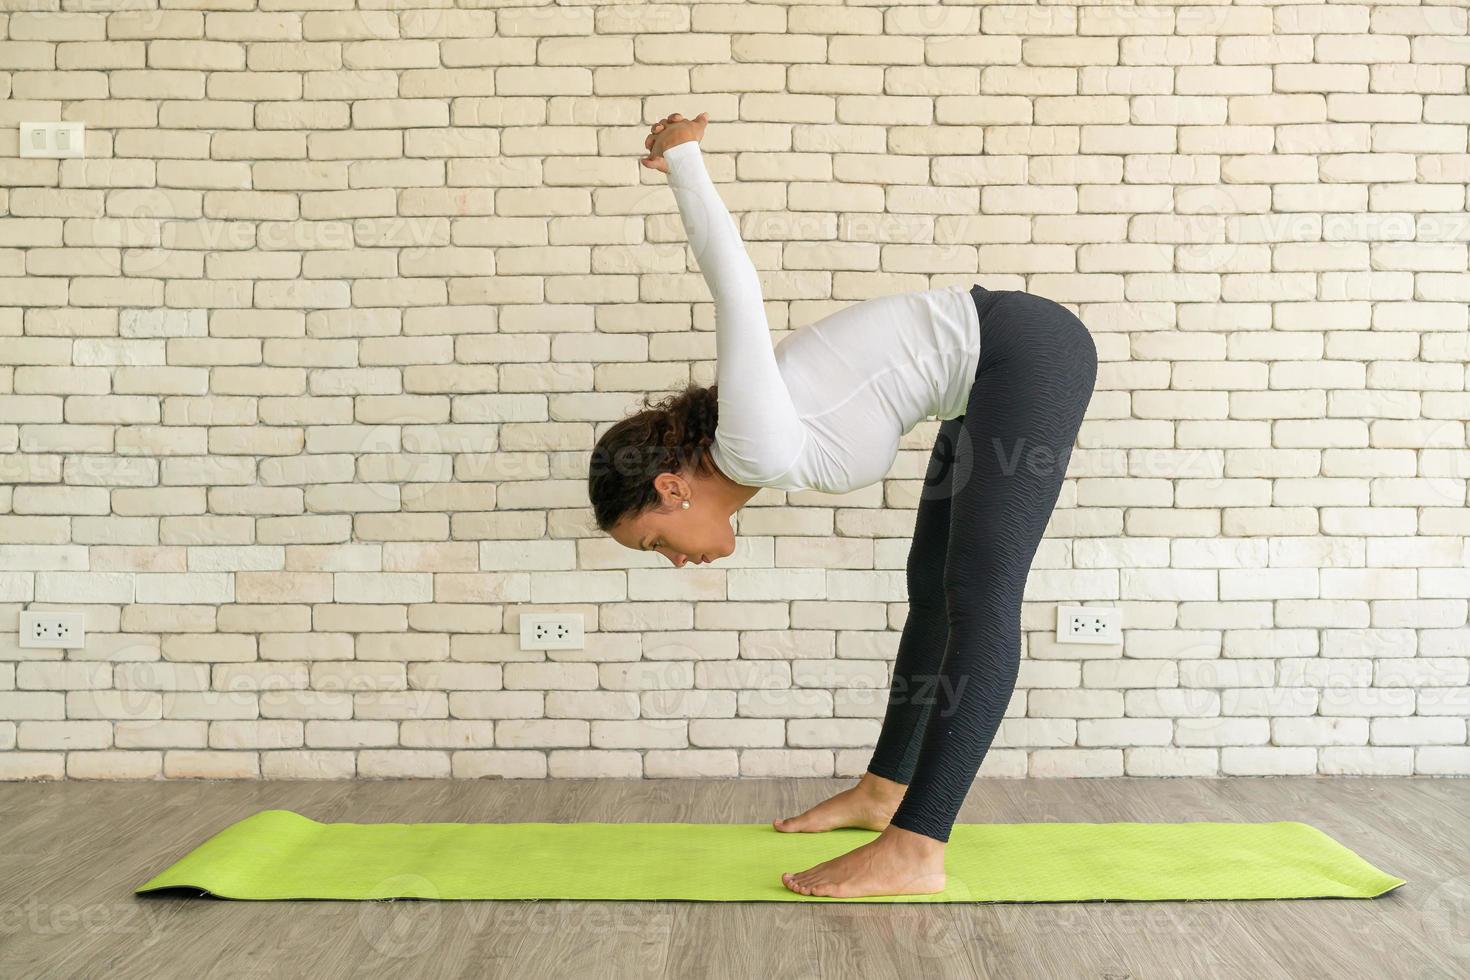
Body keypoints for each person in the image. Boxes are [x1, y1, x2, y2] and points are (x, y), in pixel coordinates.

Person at [588, 112, 1098, 898]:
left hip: (1023, 353)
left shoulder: (748, 440)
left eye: (657, 542)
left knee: (979, 594)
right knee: (933, 590)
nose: (678, 560)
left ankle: (918, 847)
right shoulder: (752, 443)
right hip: (981, 380)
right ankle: (884, 790)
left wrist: (685, 163)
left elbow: (735, 286)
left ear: (671, 487)